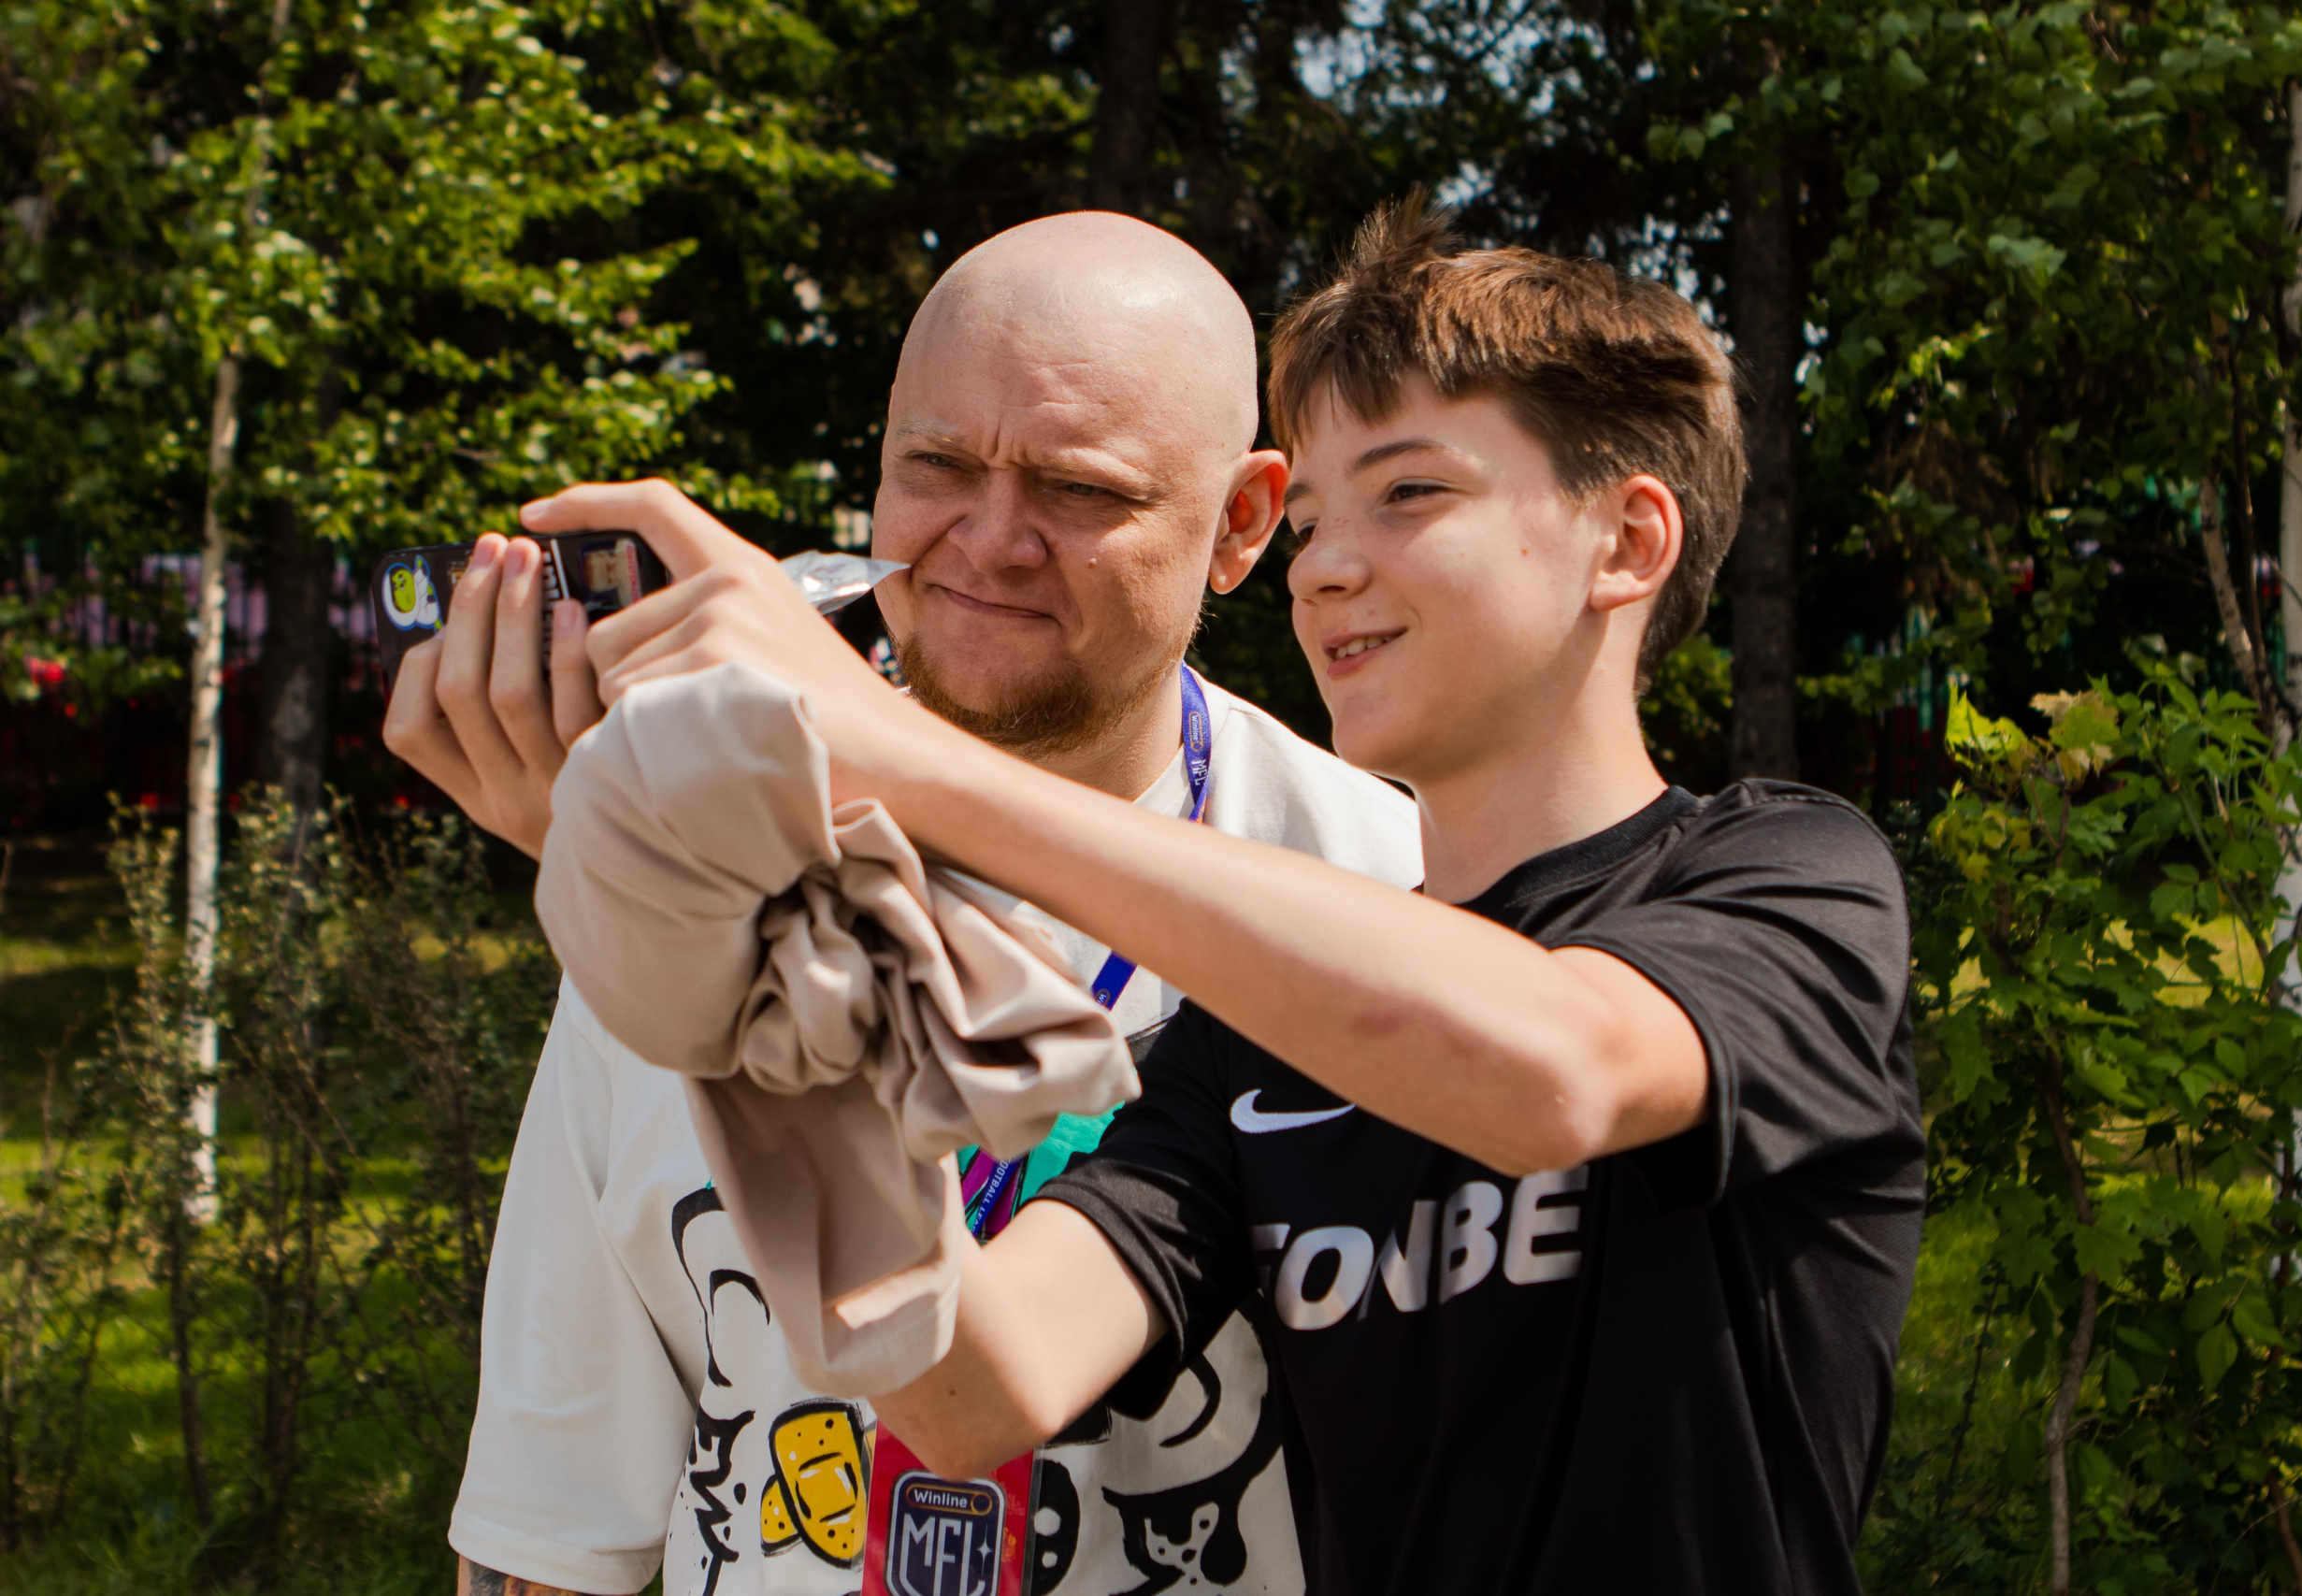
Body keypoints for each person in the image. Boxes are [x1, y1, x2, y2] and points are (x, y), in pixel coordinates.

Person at [547, 196, 1924, 1595]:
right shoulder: (1248, 1045)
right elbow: (966, 1390)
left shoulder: (1786, 880)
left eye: (1409, 493)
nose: (1325, 565)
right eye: (1316, 513)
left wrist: (897, 754)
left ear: (1627, 543)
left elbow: (1553, 1071)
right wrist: (753, 946)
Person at [385, 214, 1421, 1596]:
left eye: (1078, 489)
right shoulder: (690, 862)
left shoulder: (1384, 885)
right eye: (935, 467)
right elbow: (558, 1510)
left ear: (1241, 521)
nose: (989, 541)